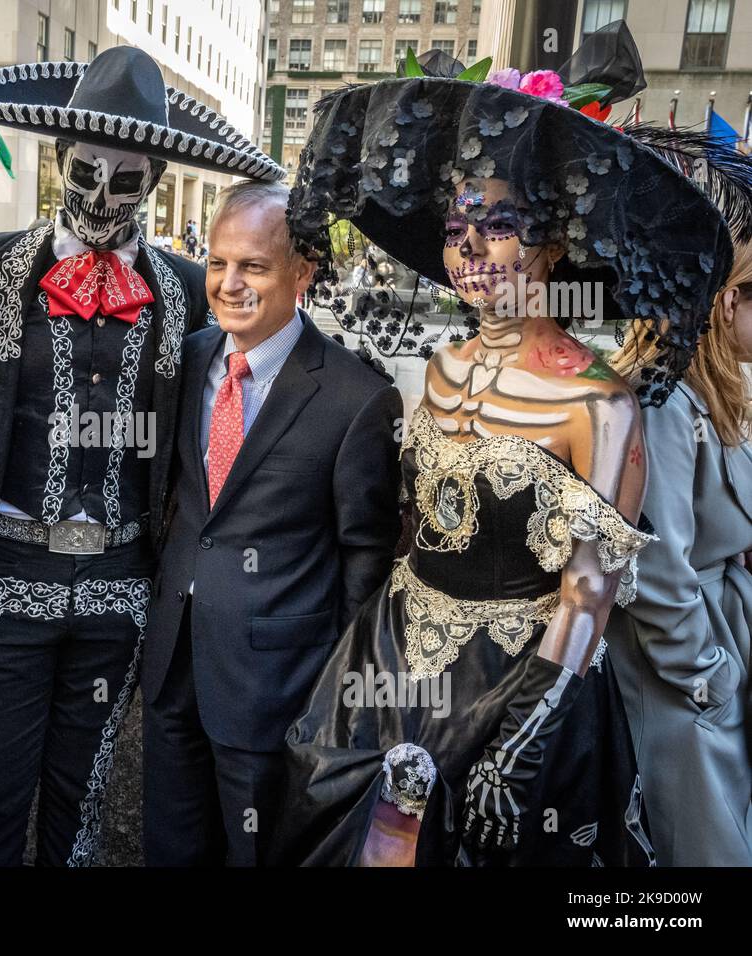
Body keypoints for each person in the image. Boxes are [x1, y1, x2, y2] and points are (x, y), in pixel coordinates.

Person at [274, 22, 745, 865]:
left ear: (553, 244)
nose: (470, 253)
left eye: (496, 226)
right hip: (389, 666)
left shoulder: (599, 405)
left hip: (518, 691)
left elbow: (588, 595)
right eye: (457, 230)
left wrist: (523, 734)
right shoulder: (440, 368)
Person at [0, 45, 284, 866]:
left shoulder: (190, 288)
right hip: (8, 574)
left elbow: (269, 377)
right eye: (85, 173)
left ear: (156, 180)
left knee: (84, 790)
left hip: (124, 585)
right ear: (60, 160)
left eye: (125, 181)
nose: (100, 197)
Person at [141, 180, 402, 866]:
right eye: (219, 262)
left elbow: (365, 561)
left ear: (301, 274)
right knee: (171, 847)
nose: (228, 282)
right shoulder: (190, 358)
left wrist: (335, 696)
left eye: (252, 266)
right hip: (174, 663)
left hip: (275, 689)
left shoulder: (357, 398)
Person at [605, 242, 752, 865]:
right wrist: (705, 676)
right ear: (727, 301)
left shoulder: (707, 386)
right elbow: (654, 560)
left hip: (718, 642)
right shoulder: (663, 397)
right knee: (699, 850)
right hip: (677, 672)